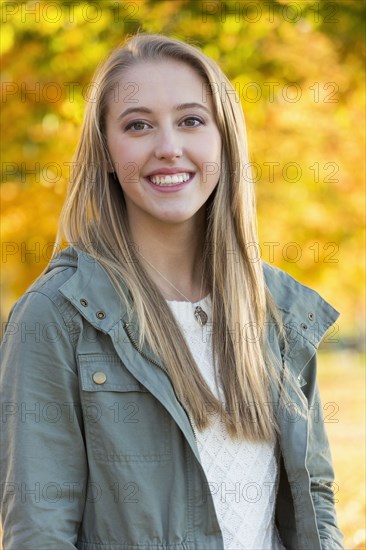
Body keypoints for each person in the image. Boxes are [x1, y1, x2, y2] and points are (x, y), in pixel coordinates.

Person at [0, 32, 344, 550]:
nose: (168, 147)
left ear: (223, 139)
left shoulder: (278, 310)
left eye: (191, 120)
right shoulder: (56, 316)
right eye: (138, 125)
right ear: (108, 153)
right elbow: (40, 529)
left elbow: (313, 496)